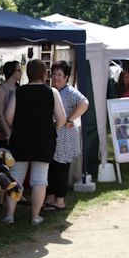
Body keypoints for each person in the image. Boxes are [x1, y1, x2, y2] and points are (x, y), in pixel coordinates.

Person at [2, 59, 66, 225]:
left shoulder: (19, 91)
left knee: (15, 178)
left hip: (20, 139)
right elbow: (62, 119)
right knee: (39, 180)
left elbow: (8, 117)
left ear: (27, 74)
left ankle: (9, 215)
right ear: (44, 73)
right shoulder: (52, 92)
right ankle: (35, 216)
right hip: (44, 140)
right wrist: (52, 130)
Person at [44, 60, 88, 211]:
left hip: (65, 137)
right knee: (52, 168)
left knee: (61, 169)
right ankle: (50, 198)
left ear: (66, 77)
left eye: (59, 75)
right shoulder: (54, 90)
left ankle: (59, 201)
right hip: (55, 136)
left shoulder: (69, 92)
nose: (56, 77)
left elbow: (84, 103)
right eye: (54, 74)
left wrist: (70, 119)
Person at [0, 61, 22, 149]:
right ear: (11, 72)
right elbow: (0, 114)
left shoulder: (19, 88)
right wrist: (9, 135)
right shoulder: (0, 89)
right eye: (19, 70)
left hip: (16, 135)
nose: (21, 73)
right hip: (3, 136)